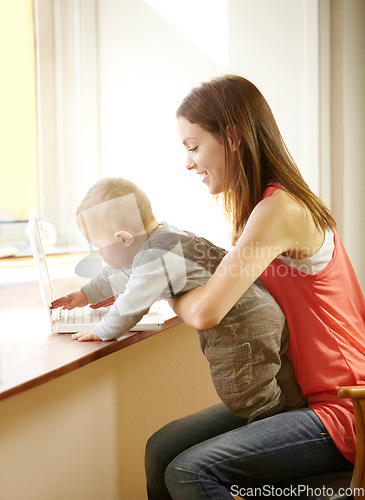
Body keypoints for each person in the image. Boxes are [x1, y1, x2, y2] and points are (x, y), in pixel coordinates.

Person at [145, 75, 365, 499]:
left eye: (193, 147)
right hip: (301, 395)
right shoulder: (262, 210)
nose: (188, 163)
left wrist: (168, 289)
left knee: (189, 473)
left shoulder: (279, 208)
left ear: (231, 136)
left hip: (342, 407)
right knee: (161, 450)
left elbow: (210, 310)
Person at [51, 176, 305, 421]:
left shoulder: (153, 258)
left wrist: (102, 330)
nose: (100, 254)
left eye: (99, 247)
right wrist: (85, 295)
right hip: (264, 311)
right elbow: (123, 275)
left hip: (241, 328)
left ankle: (273, 423)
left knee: (244, 395)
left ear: (123, 238)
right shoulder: (167, 237)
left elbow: (131, 304)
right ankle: (298, 414)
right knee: (276, 370)